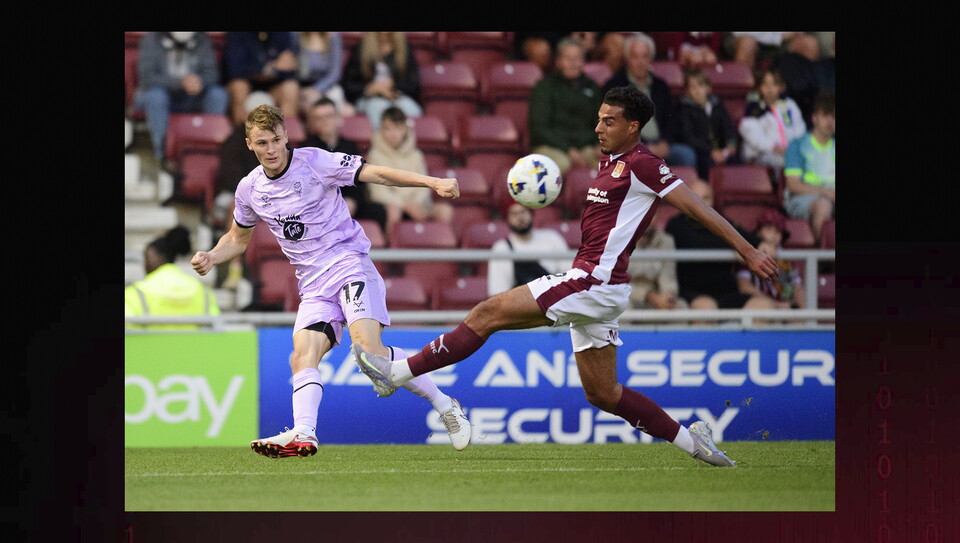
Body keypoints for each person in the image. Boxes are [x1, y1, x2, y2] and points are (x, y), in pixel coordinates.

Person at [352, 85, 780, 468]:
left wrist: (747, 250)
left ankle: (398, 372)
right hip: (601, 287)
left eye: (609, 121)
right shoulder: (609, 160)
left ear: (634, 127)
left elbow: (697, 209)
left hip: (595, 281)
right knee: (603, 393)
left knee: (489, 312)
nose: (598, 127)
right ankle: (695, 442)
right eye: (598, 118)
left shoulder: (644, 164)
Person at [191, 104, 471, 457]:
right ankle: (304, 434)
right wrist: (211, 256)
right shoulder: (250, 190)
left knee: (370, 357)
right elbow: (237, 237)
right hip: (312, 286)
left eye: (277, 140)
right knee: (301, 356)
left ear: (286, 136)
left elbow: (377, 174)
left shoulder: (314, 161)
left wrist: (432, 182)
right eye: (262, 143)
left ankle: (446, 405)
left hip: (349, 265)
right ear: (249, 144)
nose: (272, 149)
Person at [665, 178, 775, 312]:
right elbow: (695, 243)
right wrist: (738, 249)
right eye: (695, 198)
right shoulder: (676, 225)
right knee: (706, 308)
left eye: (706, 198)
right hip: (693, 293)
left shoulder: (722, 222)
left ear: (713, 200)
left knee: (763, 307)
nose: (700, 204)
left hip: (728, 293)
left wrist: (763, 245)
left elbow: (748, 239)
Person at [601, 32, 697, 170]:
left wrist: (666, 142)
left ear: (651, 59)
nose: (640, 62)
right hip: (632, 147)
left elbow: (672, 120)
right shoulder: (614, 86)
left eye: (644, 56)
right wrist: (645, 145)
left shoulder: (661, 86)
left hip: (662, 144)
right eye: (635, 56)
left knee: (686, 155)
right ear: (627, 58)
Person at [133, 32, 229, 168]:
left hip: (192, 96)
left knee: (218, 94)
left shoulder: (202, 39)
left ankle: (211, 150)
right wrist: (180, 83)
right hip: (159, 95)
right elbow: (147, 77)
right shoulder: (151, 39)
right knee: (155, 96)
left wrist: (199, 82)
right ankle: (163, 155)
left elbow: (212, 73)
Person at [299, 97, 387, 233]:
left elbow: (360, 179)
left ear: (338, 119)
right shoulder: (306, 149)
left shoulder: (350, 146)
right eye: (319, 118)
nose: (324, 122)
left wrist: (352, 201)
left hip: (349, 202)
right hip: (320, 205)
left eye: (328, 116)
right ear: (313, 122)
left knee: (378, 211)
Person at [364, 106, 453, 240]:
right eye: (388, 128)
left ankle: (439, 252)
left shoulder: (416, 155)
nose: (393, 133)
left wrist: (416, 205)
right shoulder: (374, 155)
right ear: (381, 130)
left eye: (398, 128)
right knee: (394, 211)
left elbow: (424, 185)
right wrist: (404, 206)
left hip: (417, 205)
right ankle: (391, 254)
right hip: (391, 207)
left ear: (406, 129)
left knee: (445, 210)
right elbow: (378, 192)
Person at [527, 37, 603, 175]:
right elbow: (539, 128)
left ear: (583, 62)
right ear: (558, 61)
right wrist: (567, 149)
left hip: (585, 147)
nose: (572, 63)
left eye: (577, 58)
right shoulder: (544, 87)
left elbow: (601, 123)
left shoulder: (592, 87)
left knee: (610, 166)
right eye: (567, 58)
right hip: (552, 146)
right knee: (562, 164)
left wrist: (601, 145)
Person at [125, 225, 220, 330]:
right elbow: (215, 326)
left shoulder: (137, 293)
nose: (144, 267)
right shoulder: (202, 292)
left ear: (159, 257)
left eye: (146, 259)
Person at [488, 201, 571, 297]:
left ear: (531, 214)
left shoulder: (552, 238)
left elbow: (570, 277)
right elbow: (499, 294)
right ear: (507, 219)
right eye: (514, 214)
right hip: (520, 308)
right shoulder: (501, 249)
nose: (520, 218)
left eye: (523, 212)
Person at [341, 32, 422, 130]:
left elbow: (413, 84)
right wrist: (371, 88)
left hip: (396, 96)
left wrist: (393, 85)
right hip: (369, 98)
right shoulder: (361, 49)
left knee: (412, 110)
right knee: (377, 107)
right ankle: (381, 143)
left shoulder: (405, 49)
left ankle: (405, 143)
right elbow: (349, 84)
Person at [783, 91, 835, 244]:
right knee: (823, 205)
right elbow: (793, 185)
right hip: (803, 198)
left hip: (832, 196)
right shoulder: (798, 145)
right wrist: (825, 192)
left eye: (834, 116)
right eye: (826, 116)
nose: (830, 121)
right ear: (814, 118)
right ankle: (824, 261)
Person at [737, 67, 807, 176]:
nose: (770, 89)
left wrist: (792, 148)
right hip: (763, 155)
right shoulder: (754, 109)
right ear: (759, 87)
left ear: (781, 86)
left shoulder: (789, 105)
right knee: (784, 163)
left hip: (789, 152)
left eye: (774, 84)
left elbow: (799, 128)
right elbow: (754, 137)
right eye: (765, 85)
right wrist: (775, 148)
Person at [673, 68, 739, 181]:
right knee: (707, 166)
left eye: (700, 86)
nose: (697, 91)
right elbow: (689, 137)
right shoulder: (684, 109)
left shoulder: (717, 106)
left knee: (737, 165)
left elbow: (729, 129)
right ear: (687, 91)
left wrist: (731, 144)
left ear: (708, 88)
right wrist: (710, 151)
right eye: (693, 87)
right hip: (702, 153)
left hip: (722, 152)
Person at [223, 31, 299, 125]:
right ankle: (241, 134)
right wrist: (269, 69)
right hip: (247, 86)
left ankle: (285, 135)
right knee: (238, 86)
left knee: (290, 87)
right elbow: (234, 69)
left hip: (273, 86)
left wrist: (266, 71)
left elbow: (289, 69)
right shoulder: (237, 34)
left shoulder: (282, 34)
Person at [736, 209, 805, 309]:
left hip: (783, 309)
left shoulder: (785, 257)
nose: (773, 235)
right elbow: (744, 286)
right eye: (768, 229)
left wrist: (802, 311)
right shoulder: (750, 252)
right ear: (759, 232)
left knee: (797, 316)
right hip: (759, 309)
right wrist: (776, 305)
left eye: (777, 231)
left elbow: (795, 288)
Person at [626, 220, 687, 310]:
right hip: (630, 295)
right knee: (623, 306)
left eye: (652, 212)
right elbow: (616, 283)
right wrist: (648, 296)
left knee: (680, 307)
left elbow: (668, 276)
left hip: (657, 296)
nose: (648, 217)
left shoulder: (667, 240)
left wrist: (668, 295)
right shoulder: (620, 239)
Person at [292, 32, 354, 117]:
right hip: (300, 86)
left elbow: (335, 73)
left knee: (338, 101)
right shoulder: (296, 36)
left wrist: (316, 89)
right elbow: (292, 68)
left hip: (326, 86)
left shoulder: (333, 37)